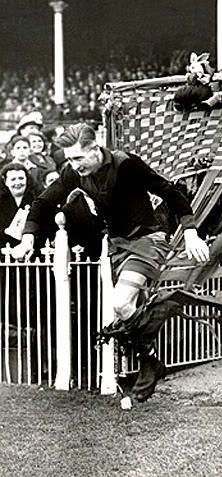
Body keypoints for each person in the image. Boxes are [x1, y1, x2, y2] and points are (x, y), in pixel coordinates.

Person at [12, 123, 210, 401]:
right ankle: (151, 360)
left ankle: (159, 330)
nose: (73, 164)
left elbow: (170, 191)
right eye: (69, 159)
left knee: (119, 303)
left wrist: (190, 232)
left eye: (79, 158)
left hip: (147, 238)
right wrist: (29, 238)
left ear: (95, 148)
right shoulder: (73, 173)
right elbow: (43, 202)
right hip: (116, 243)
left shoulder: (126, 165)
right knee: (126, 308)